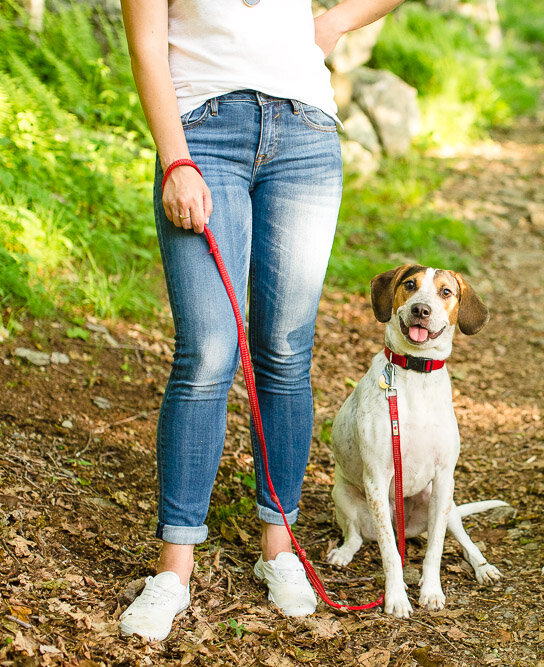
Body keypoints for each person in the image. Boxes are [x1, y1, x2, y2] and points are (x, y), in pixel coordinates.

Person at [119, 0, 403, 642]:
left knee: (284, 351)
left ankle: (278, 547)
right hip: (203, 131)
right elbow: (146, 47)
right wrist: (174, 160)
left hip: (304, 131)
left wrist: (330, 24)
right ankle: (173, 571)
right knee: (208, 355)